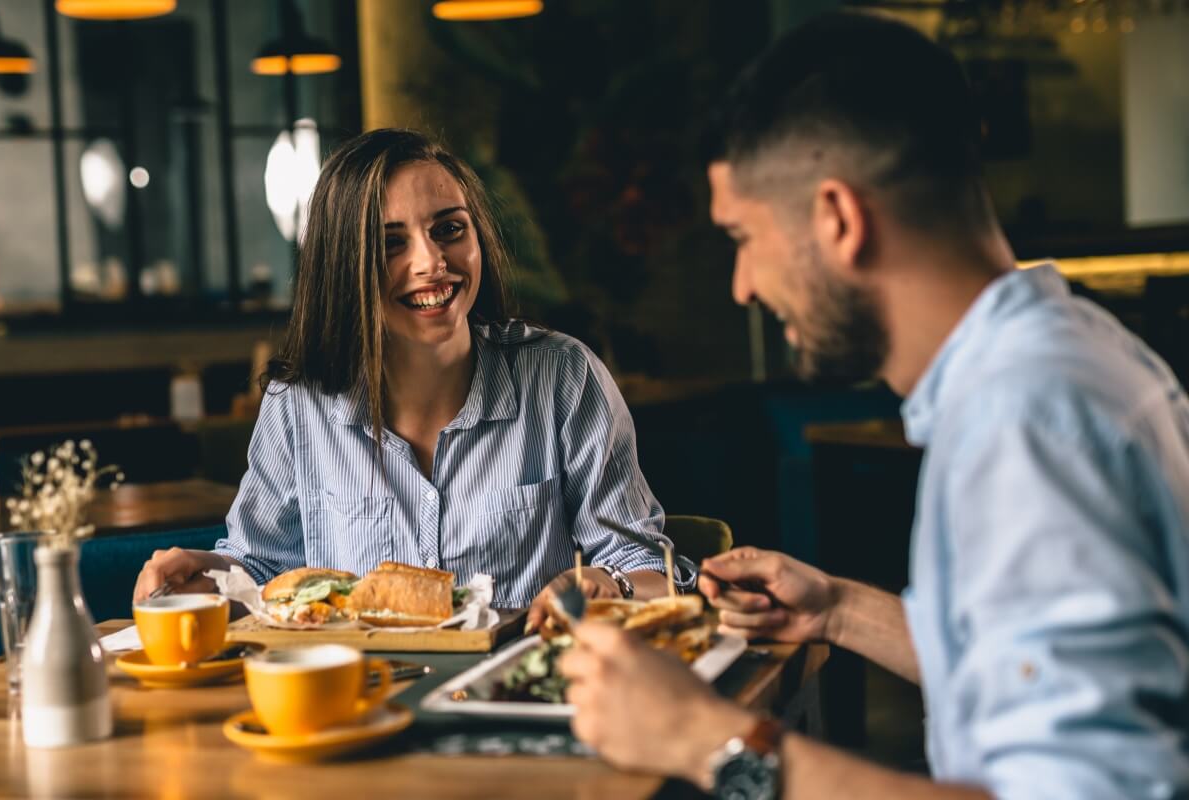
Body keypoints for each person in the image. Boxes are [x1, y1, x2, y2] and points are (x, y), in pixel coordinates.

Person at [562, 13, 1189, 799]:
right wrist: (839, 612)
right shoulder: (1065, 353)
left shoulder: (1023, 419)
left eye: (742, 237)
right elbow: (1024, 662)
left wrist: (706, 740)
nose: (742, 286)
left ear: (838, 220)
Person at [134, 129, 684, 616]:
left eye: (449, 229)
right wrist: (204, 577)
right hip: (357, 702)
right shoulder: (297, 404)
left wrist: (610, 583)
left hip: (513, 700)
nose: (431, 262)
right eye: (391, 243)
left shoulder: (562, 377)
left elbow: (649, 568)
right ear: (342, 263)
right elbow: (262, 569)